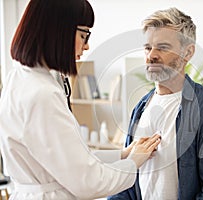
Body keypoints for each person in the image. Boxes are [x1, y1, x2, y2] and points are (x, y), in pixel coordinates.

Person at [0, 0, 161, 199]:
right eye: (83, 35)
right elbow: (88, 181)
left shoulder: (19, 79)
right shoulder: (42, 95)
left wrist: (123, 154)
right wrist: (133, 162)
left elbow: (70, 159)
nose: (86, 46)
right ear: (59, 31)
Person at [109, 7, 203, 200]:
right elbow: (126, 184)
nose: (151, 55)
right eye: (147, 47)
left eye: (163, 47)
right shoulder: (140, 108)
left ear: (188, 52)